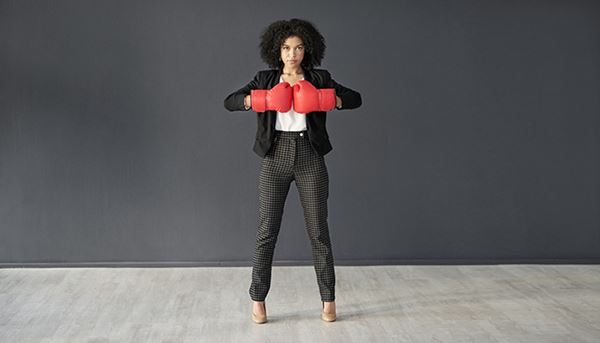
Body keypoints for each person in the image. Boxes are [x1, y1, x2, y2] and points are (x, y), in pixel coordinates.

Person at [223, 18, 362, 324]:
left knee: (319, 232)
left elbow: (356, 98)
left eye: (298, 48)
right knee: (266, 231)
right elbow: (229, 101)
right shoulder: (264, 79)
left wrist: (329, 99)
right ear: (277, 49)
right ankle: (257, 300)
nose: (292, 54)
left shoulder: (320, 78)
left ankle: (328, 301)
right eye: (286, 48)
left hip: (310, 157)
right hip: (274, 157)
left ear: (307, 49)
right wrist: (257, 100)